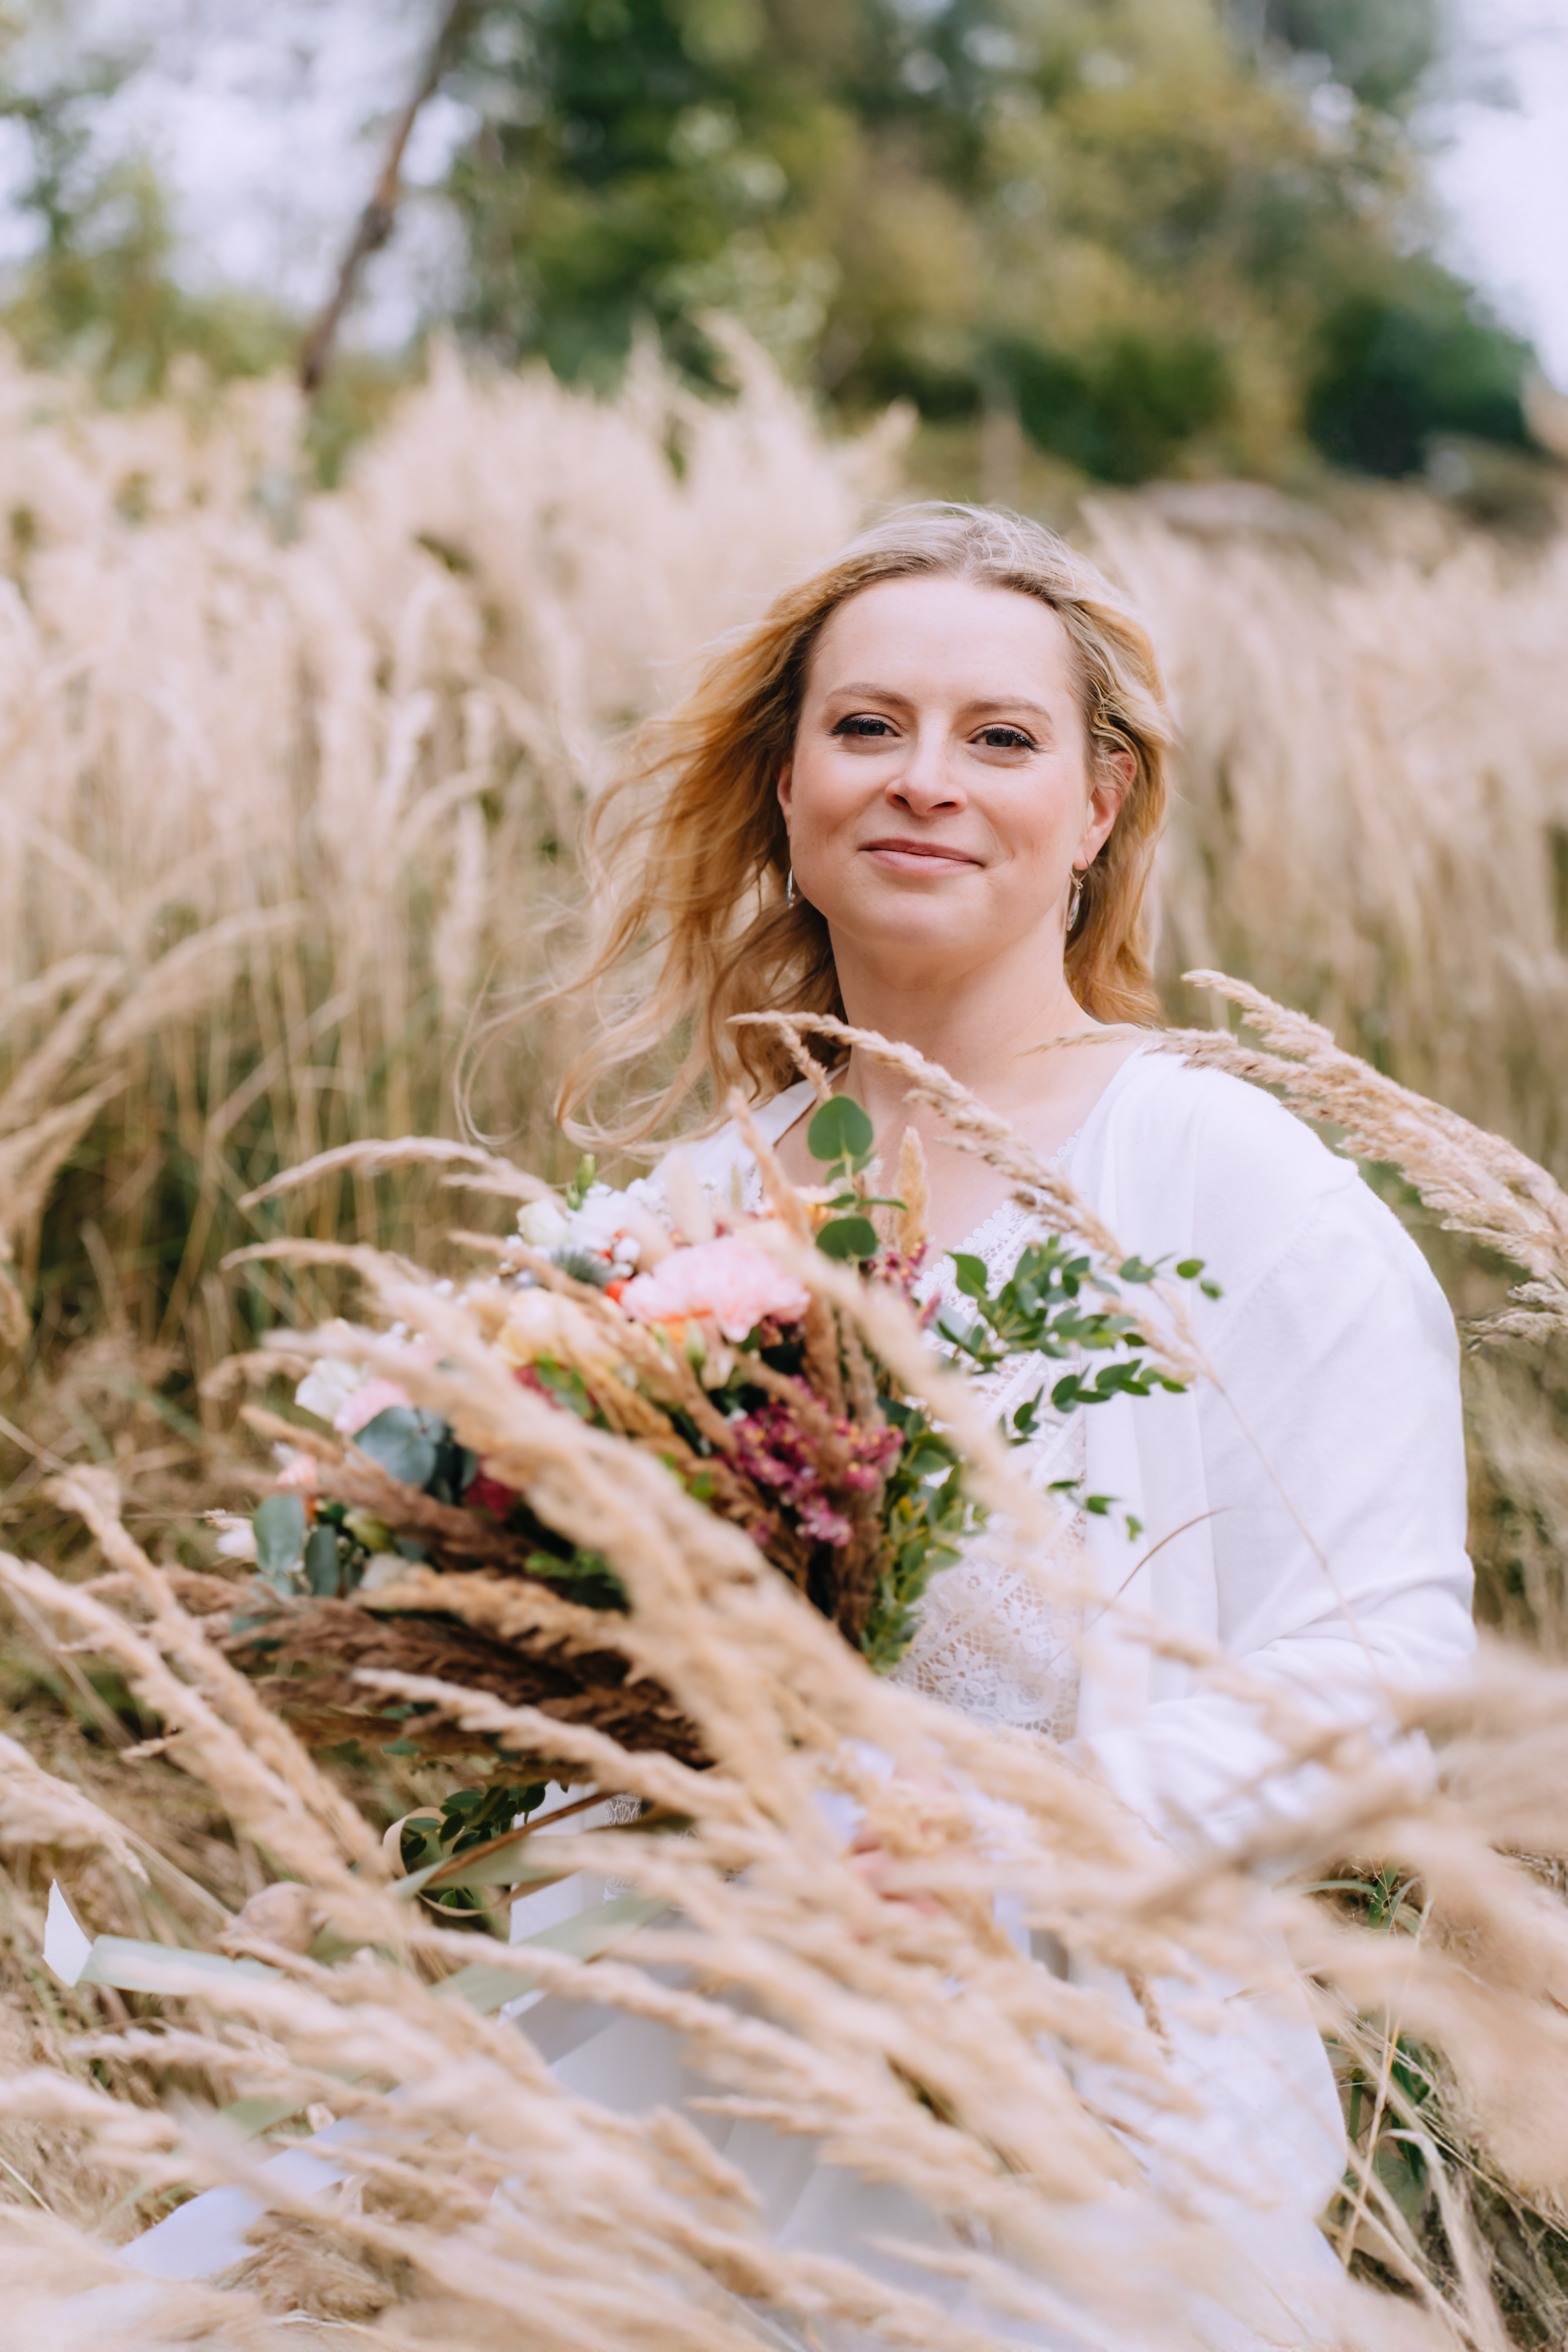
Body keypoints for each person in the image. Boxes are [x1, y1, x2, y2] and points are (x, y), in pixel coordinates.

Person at [537, 501, 1477, 2343]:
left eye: (1001, 737)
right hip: (685, 2056)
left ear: (1098, 809)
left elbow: (1387, 1666)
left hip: (1077, 2101)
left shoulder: (1226, 1178)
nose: (925, 781)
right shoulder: (683, 1212)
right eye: (867, 727)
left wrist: (1025, 1835)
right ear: (788, 791)